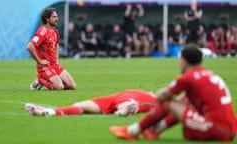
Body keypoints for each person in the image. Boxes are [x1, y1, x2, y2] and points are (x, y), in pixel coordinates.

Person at [110, 44, 237, 141]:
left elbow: (161, 97)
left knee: (169, 103)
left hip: (215, 129)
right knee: (184, 102)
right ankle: (154, 131)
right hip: (230, 130)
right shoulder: (208, 74)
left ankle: (132, 131)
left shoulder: (188, 77)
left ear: (184, 61)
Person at [27, 8, 76, 90]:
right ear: (47, 19)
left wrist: (57, 61)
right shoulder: (42, 31)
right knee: (59, 87)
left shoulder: (55, 31)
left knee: (72, 86)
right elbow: (30, 46)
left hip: (54, 65)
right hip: (44, 66)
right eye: (54, 17)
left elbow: (56, 45)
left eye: (56, 16)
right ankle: (40, 79)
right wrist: (39, 61)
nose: (57, 19)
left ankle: (48, 79)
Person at [25, 89, 158, 117]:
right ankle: (48, 111)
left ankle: (125, 111)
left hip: (128, 101)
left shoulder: (154, 101)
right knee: (79, 105)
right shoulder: (145, 93)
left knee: (127, 104)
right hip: (112, 98)